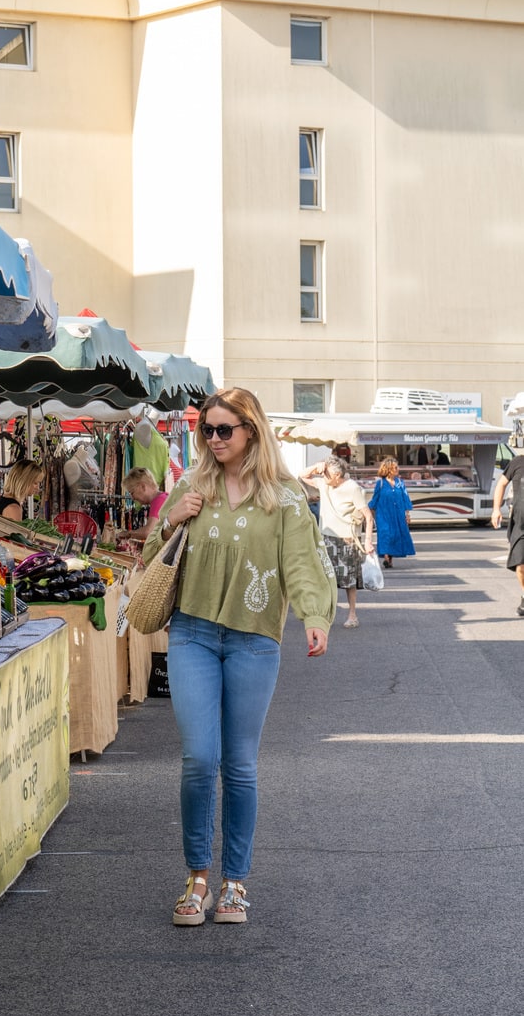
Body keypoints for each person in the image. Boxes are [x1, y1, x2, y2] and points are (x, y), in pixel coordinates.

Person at [154, 388, 335, 928]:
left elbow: (302, 562)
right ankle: (197, 877)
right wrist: (170, 519)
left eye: (223, 430)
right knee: (198, 758)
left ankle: (235, 883)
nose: (213, 439)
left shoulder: (283, 497)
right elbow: (152, 556)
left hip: (255, 638)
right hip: (193, 633)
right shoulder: (191, 487)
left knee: (239, 764)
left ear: (251, 431)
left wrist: (315, 616)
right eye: (206, 429)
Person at [299, 455, 376, 627]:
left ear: (336, 475)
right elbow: (302, 476)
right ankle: (325, 613)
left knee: (349, 580)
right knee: (324, 578)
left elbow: (368, 516)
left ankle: (352, 615)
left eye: (326, 474)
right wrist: (317, 466)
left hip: (347, 539)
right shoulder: (324, 484)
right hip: (325, 538)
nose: (323, 476)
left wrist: (368, 541)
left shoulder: (352, 488)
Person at [491, 454, 524, 615]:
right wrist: (496, 509)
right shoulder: (518, 462)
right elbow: (501, 484)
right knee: (521, 566)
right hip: (520, 525)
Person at [368, 456, 415, 569]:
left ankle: (390, 558)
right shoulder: (380, 484)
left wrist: (407, 514)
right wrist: (369, 515)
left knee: (395, 535)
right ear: (388, 469)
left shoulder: (400, 483)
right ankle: (386, 557)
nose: (397, 469)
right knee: (385, 535)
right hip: (383, 514)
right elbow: (374, 500)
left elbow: (405, 498)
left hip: (397, 514)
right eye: (395, 467)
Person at [122, 466, 170, 544]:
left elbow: (148, 532)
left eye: (132, 492)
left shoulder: (159, 500)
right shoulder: (162, 497)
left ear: (143, 487)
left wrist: (128, 534)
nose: (132, 498)